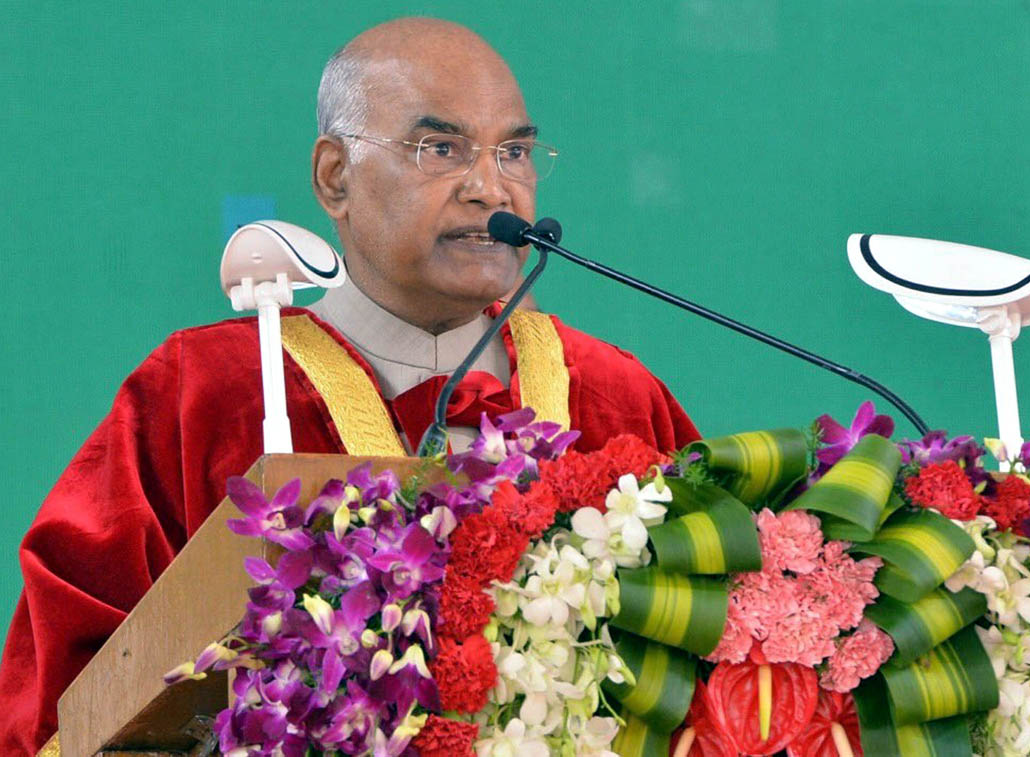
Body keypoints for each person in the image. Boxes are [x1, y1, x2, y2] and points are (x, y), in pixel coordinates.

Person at [0, 18, 698, 755]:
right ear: (335, 176)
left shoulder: (615, 398)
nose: (492, 188)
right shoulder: (203, 394)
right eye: (442, 148)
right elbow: (65, 695)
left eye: (516, 152)